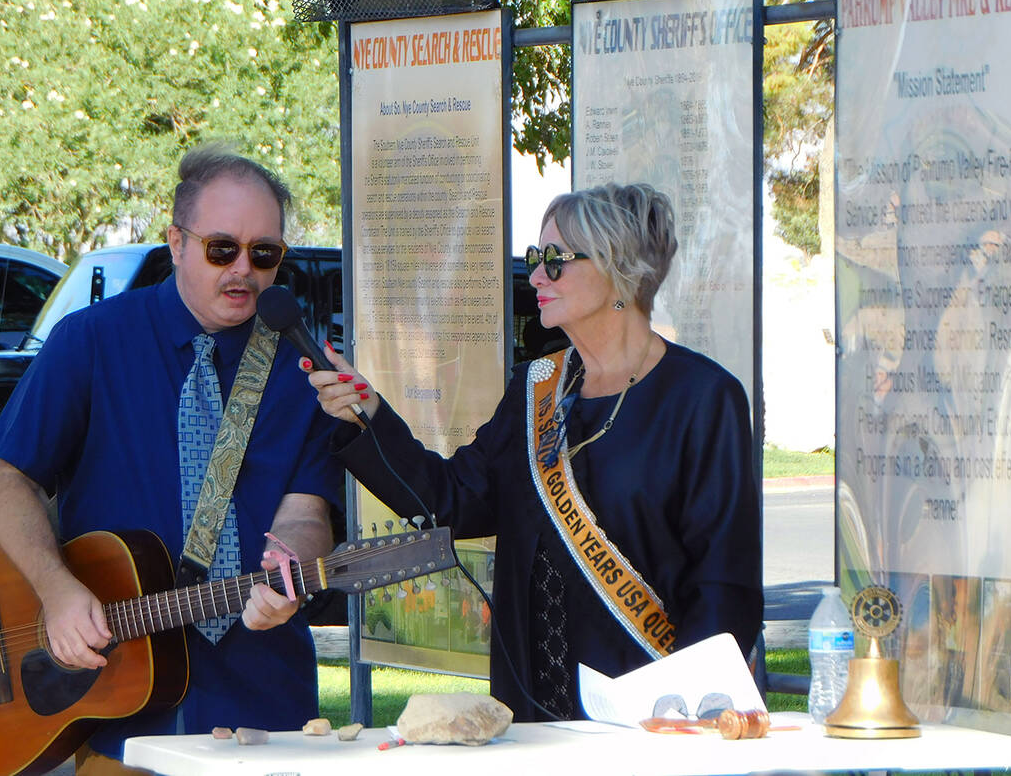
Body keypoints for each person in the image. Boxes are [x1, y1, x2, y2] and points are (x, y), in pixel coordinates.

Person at [305, 182, 762, 721]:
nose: (537, 276)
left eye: (555, 260)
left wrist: (686, 709)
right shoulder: (535, 388)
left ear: (619, 268)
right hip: (532, 710)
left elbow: (723, 581)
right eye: (534, 259)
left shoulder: (702, 397)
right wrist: (369, 416)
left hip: (650, 716)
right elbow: (452, 499)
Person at [0, 144, 341, 773]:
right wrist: (56, 589)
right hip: (118, 712)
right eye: (222, 248)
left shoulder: (302, 366)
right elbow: (4, 478)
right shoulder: (92, 341)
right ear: (176, 242)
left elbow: (306, 510)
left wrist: (290, 563)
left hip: (263, 710)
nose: (244, 271)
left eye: (265, 254)